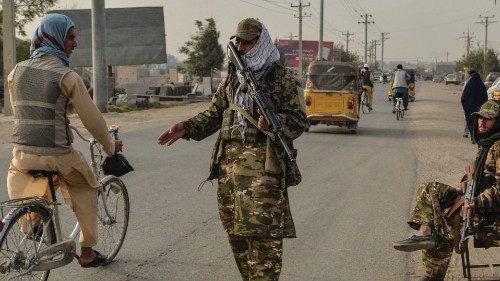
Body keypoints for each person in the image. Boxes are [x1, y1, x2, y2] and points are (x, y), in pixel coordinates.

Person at [157, 18, 307, 281]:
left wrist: (273, 123)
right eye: (237, 40)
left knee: (263, 246)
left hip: (264, 174)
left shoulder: (282, 78)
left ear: (260, 43)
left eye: (246, 41)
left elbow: (298, 120)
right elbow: (216, 113)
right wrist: (187, 127)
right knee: (237, 241)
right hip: (230, 173)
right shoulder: (234, 77)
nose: (240, 46)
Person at [6, 13, 123, 267]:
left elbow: (22, 112)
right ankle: (88, 252)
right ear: (56, 38)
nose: (75, 43)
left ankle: (31, 223)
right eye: (70, 37)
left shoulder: (15, 72)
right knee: (87, 186)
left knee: (24, 182)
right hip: (57, 154)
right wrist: (110, 146)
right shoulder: (66, 76)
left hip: (22, 154)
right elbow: (93, 120)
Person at [393, 99, 500, 281]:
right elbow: (482, 176)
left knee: (443, 220)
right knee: (429, 189)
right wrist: (466, 181)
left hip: (489, 210)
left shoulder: (497, 147)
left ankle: (433, 275)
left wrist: (475, 201)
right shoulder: (486, 144)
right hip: (472, 196)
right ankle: (424, 233)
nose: (482, 121)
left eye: (488, 118)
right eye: (480, 117)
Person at [461, 69, 488, 141]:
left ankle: (472, 137)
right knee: (479, 121)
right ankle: (477, 137)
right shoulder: (481, 85)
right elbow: (485, 97)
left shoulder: (469, 83)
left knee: (470, 120)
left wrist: (465, 103)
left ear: (470, 75)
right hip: (480, 107)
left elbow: (464, 95)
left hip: (470, 107)